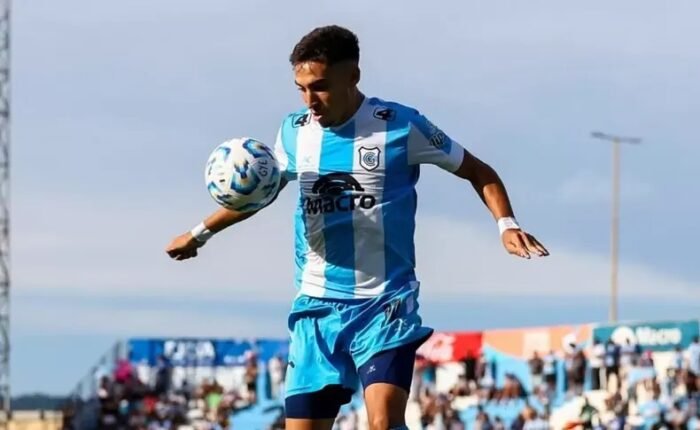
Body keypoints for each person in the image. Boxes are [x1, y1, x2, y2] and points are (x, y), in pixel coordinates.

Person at [165, 25, 549, 430]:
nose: (310, 100)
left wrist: (507, 225)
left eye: (320, 87)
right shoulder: (294, 133)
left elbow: (478, 171)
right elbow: (261, 193)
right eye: (301, 89)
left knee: (382, 422)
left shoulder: (400, 126)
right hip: (316, 307)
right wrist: (199, 233)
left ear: (353, 76)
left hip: (384, 302)